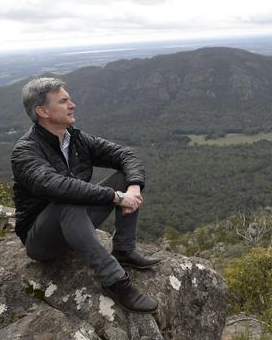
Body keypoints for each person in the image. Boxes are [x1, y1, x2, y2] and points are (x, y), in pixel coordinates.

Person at [11, 77, 161, 313]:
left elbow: (126, 156)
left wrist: (132, 187)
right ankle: (115, 282)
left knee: (125, 176)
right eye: (64, 101)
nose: (72, 105)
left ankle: (124, 249)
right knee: (67, 200)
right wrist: (116, 197)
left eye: (69, 99)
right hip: (42, 240)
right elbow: (56, 186)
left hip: (76, 224)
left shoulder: (76, 139)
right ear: (42, 111)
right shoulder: (25, 152)